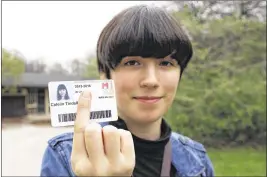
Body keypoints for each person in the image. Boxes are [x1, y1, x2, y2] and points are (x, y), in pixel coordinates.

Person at [41, 4, 215, 177]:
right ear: (105, 75)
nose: (151, 81)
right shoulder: (64, 155)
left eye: (166, 63)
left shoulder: (197, 160)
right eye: (132, 63)